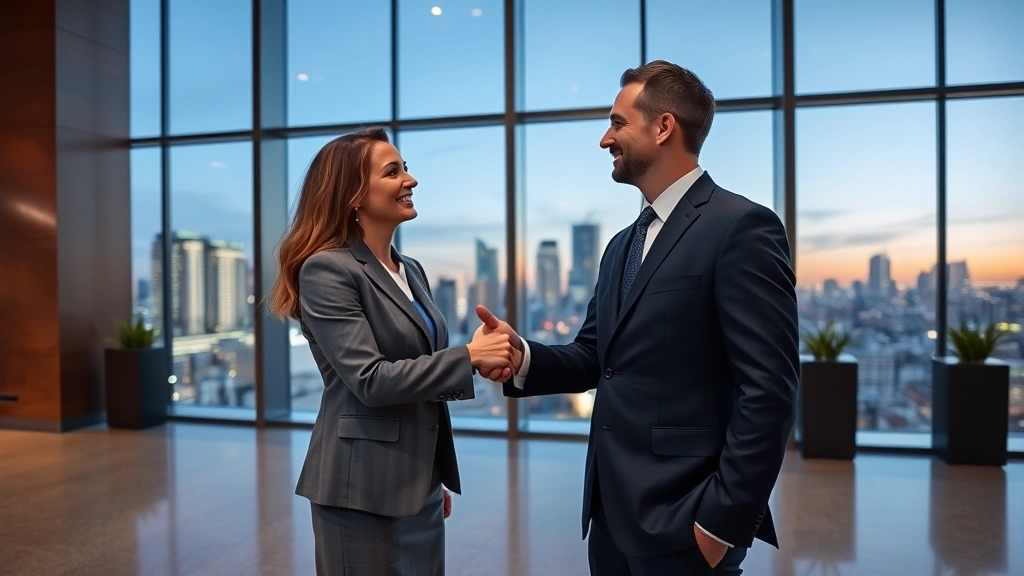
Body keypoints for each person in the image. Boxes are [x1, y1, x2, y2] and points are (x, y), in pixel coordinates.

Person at [476, 61, 800, 575]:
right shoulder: (620, 246)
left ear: (664, 126)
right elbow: (594, 357)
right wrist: (522, 357)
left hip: (687, 522)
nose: (606, 139)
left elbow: (769, 390)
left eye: (617, 122)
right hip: (609, 515)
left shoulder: (740, 227)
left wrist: (720, 524)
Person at [267, 128, 516, 576]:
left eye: (407, 168)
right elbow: (371, 380)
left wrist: (427, 473)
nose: (411, 180)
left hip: (414, 482)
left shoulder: (411, 269)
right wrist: (470, 357)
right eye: (393, 171)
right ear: (353, 196)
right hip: (359, 491)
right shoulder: (327, 269)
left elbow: (421, 372)